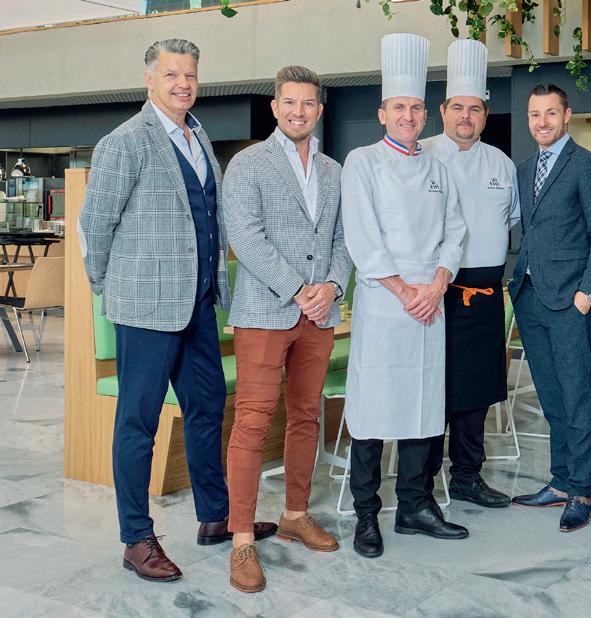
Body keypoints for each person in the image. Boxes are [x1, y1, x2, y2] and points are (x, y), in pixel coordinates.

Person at [78, 39, 274, 583]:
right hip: (145, 309)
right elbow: (95, 225)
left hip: (198, 305)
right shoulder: (124, 142)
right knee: (138, 422)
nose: (183, 83)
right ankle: (136, 538)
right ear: (149, 80)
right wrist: (112, 287)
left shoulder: (197, 136)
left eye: (190, 74)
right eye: (171, 74)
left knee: (207, 407)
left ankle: (215, 516)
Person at [222, 65, 352, 592]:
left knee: (306, 416)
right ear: (275, 108)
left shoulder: (335, 171)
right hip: (265, 312)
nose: (299, 111)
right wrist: (299, 288)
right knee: (252, 422)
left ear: (319, 109)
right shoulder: (248, 164)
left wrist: (333, 287)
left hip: (318, 315)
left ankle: (295, 514)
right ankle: (241, 539)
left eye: (308, 103)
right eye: (290, 103)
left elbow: (343, 239)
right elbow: (246, 238)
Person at [341, 32, 470, 559]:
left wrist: (437, 284)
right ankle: (367, 515)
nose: (409, 116)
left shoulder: (438, 167)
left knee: (424, 405)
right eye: (399, 107)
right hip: (384, 302)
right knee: (373, 410)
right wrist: (403, 290)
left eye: (416, 108)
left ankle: (415, 506)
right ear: (382, 114)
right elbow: (362, 237)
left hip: (429, 304)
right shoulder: (362, 162)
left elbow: (455, 231)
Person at [508, 83, 591, 533]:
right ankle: (559, 481)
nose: (542, 122)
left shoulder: (588, 166)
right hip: (530, 297)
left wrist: (587, 292)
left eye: (550, 113)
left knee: (577, 397)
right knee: (551, 398)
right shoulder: (524, 168)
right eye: (535, 114)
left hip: (571, 300)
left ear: (567, 115)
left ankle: (581, 490)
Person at [420, 39, 519, 510]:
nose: (466, 116)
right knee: (431, 387)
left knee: (476, 391)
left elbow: (511, 221)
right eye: (457, 107)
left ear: (484, 114)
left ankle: (467, 477)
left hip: (484, 293)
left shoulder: (501, 163)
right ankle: (420, 483)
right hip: (433, 292)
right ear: (442, 111)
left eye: (474, 109)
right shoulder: (420, 154)